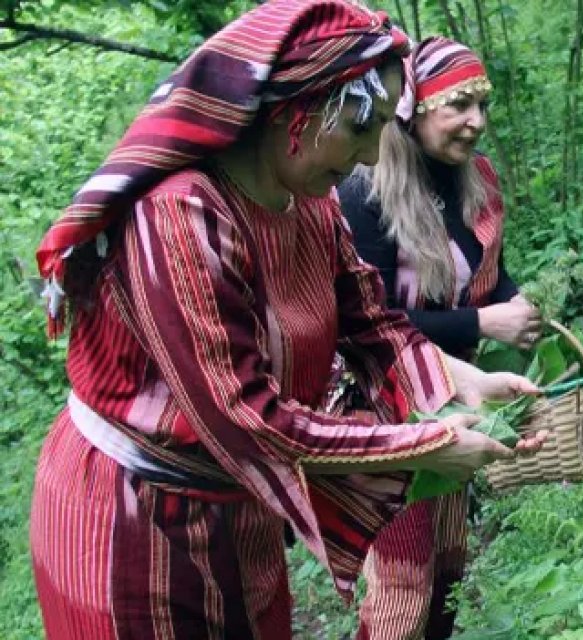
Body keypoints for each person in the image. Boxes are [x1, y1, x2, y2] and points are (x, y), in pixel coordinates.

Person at [28, 2, 545, 638]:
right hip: (133, 515)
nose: (369, 156)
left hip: (239, 502)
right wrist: (426, 442)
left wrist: (460, 380)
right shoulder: (181, 214)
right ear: (295, 111)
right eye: (360, 127)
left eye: (382, 128)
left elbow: (371, 321)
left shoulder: (310, 202)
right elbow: (245, 417)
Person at [336, 36, 541, 639]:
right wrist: (481, 323)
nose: (477, 121)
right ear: (413, 109)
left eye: (482, 104)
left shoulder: (474, 179)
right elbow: (366, 323)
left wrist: (512, 301)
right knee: (403, 583)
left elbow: (485, 274)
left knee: (449, 564)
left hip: (455, 399)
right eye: (458, 105)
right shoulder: (365, 193)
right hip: (382, 405)